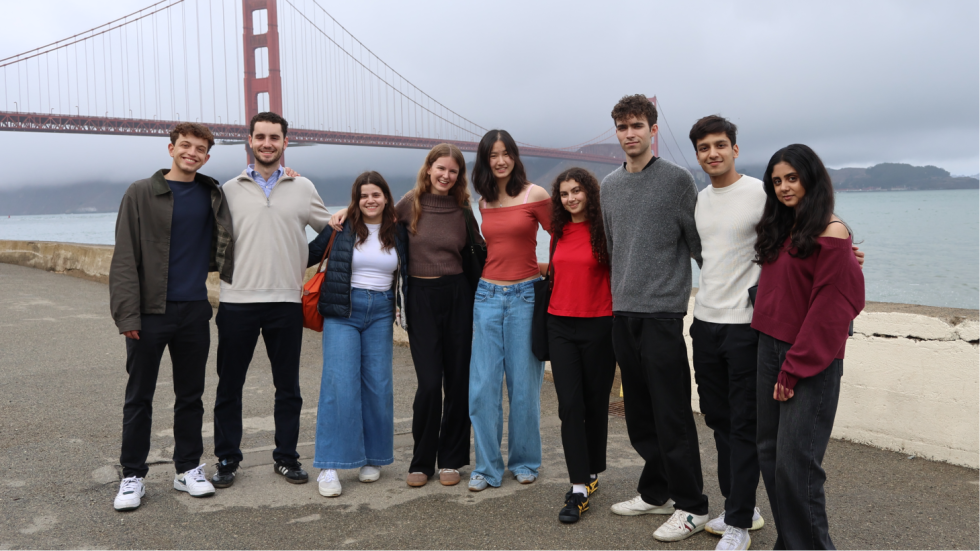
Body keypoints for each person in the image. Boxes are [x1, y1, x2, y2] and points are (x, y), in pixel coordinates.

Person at [325, 144, 484, 488]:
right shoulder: (409, 203)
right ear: (428, 168)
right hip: (421, 299)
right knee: (428, 383)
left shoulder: (463, 209)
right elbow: (373, 218)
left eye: (453, 171)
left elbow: (479, 251)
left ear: (459, 176)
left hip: (458, 296)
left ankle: (452, 459)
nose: (445, 175)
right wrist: (343, 212)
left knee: (457, 382)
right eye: (440, 168)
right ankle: (422, 461)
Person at [600, 94, 709, 542]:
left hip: (662, 313)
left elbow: (700, 246)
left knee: (672, 414)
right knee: (640, 414)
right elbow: (613, 244)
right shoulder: (608, 185)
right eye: (623, 127)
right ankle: (656, 491)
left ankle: (693, 506)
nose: (630, 134)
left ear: (653, 130)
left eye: (637, 126)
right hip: (622, 311)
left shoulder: (678, 181)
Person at [109, 122, 233, 511]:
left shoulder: (212, 193)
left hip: (195, 309)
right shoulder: (140, 192)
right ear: (170, 149)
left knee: (191, 396)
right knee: (139, 397)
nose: (192, 153)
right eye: (185, 145)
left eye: (200, 149)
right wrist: (126, 313)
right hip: (149, 312)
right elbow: (125, 257)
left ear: (207, 157)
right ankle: (132, 475)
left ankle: (187, 469)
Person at [752, 144, 864, 551]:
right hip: (769, 347)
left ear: (811, 178)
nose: (783, 187)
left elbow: (831, 310)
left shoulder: (832, 231)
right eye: (777, 181)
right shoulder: (784, 227)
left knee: (797, 466)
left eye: (792, 178)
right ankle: (793, 542)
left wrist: (794, 366)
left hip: (808, 358)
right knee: (770, 456)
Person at [210, 111, 331, 488]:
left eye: (274, 137)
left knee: (288, 388)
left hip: (286, 302)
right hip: (236, 301)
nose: (267, 143)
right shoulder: (227, 190)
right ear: (249, 140)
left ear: (285, 142)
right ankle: (227, 459)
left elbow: (332, 230)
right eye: (260, 136)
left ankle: (286, 457)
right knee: (229, 386)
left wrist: (304, 258)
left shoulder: (303, 186)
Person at [307, 172, 407, 497]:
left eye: (376, 194)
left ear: (386, 197)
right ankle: (330, 466)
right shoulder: (340, 226)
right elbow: (307, 254)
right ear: (356, 199)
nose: (370, 200)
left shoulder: (398, 230)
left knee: (378, 385)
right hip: (343, 310)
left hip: (380, 311)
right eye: (363, 195)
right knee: (339, 385)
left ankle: (373, 457)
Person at [468, 129, 551, 492]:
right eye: (492, 155)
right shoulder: (484, 201)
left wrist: (549, 271)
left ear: (514, 156)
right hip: (486, 296)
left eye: (506, 153)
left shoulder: (536, 194)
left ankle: (525, 461)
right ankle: (487, 468)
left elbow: (566, 235)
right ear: (485, 161)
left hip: (526, 298)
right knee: (483, 387)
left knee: (523, 386)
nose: (500, 161)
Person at [545, 168, 616, 524]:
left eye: (577, 191)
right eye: (564, 194)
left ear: (589, 192)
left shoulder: (606, 229)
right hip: (559, 324)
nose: (571, 198)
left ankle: (590, 471)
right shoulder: (558, 231)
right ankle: (577, 488)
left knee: (595, 402)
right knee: (570, 405)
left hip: (600, 324)